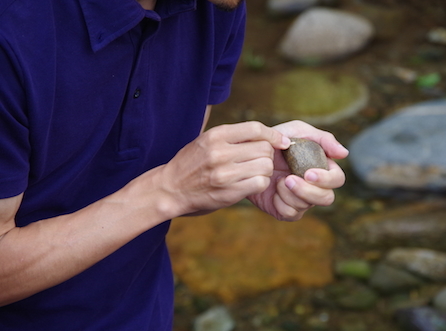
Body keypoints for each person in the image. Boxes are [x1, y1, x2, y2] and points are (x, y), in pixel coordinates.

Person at [0, 0, 348, 330]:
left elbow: (162, 179)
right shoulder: (13, 32)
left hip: (145, 314)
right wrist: (166, 190)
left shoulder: (216, 7)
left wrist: (228, 176)